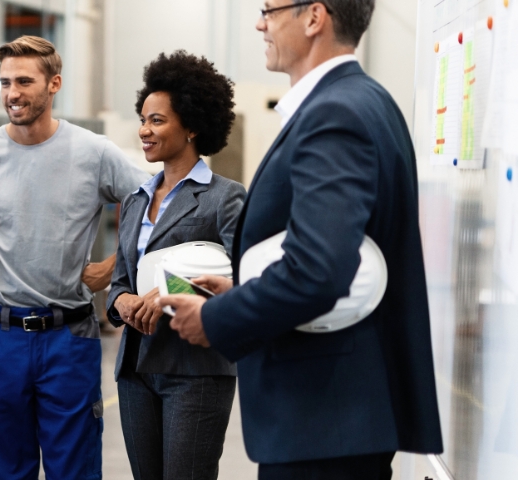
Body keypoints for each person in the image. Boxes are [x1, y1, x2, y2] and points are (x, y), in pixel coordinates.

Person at [161, 1, 444, 478]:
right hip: (337, 417)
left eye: (269, 10)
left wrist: (217, 317)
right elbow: (335, 255)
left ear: (314, 17)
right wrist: (245, 293)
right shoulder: (363, 100)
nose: (258, 22)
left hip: (324, 415)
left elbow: (317, 271)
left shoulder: (336, 114)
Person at [0, 35, 149, 480]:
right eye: (5, 82)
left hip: (69, 337)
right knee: (7, 470)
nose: (13, 93)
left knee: (75, 470)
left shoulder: (94, 152)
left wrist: (112, 270)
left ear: (54, 84)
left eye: (25, 81)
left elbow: (154, 203)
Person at [107, 51, 245, 480]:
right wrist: (125, 302)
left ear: (192, 127)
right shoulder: (135, 200)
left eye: (157, 121)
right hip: (135, 369)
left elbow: (242, 279)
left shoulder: (226, 197)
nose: (144, 131)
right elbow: (117, 285)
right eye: (143, 119)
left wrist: (171, 293)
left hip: (196, 372)